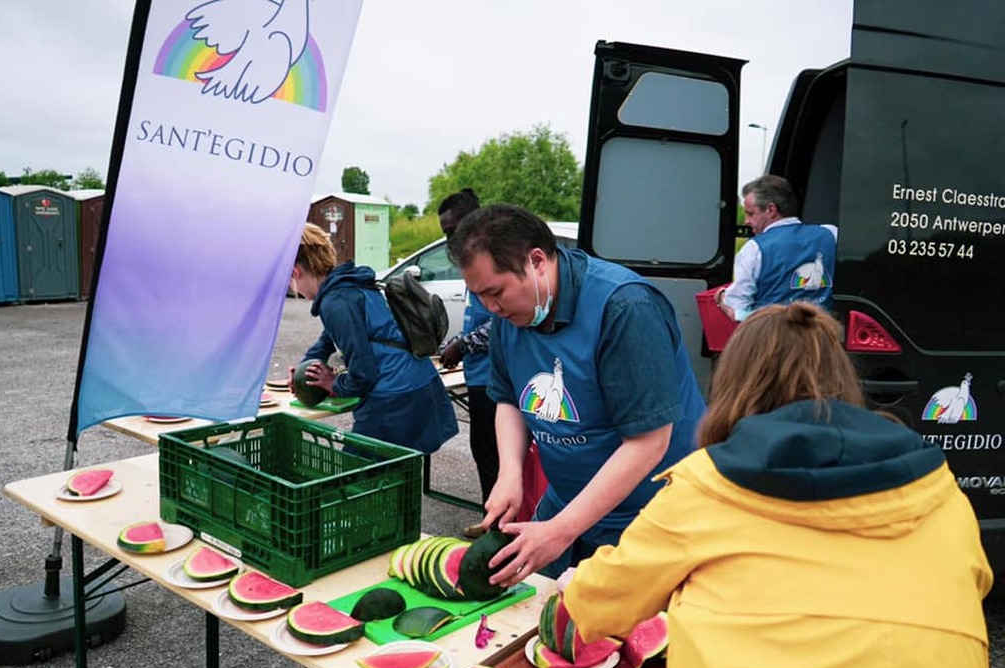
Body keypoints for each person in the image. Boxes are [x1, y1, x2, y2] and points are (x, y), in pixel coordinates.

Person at [561, 302, 993, 668]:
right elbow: (976, 583)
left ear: (734, 387)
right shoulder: (942, 492)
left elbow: (598, 604)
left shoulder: (705, 486)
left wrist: (575, 584)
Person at [447, 203, 706, 584]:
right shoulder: (508, 316)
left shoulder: (625, 308)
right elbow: (508, 400)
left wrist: (561, 529)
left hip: (652, 514)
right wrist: (510, 475)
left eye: (495, 291)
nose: (490, 307)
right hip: (566, 502)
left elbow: (649, 441)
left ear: (536, 261)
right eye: (479, 296)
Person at [289, 222, 458, 455]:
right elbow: (328, 339)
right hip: (419, 383)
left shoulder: (335, 301)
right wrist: (303, 373)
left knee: (357, 474)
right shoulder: (349, 286)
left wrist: (333, 384)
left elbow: (363, 374)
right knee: (398, 471)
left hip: (394, 396)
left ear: (295, 272)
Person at [436, 189, 500, 537]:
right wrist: (453, 344)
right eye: (445, 231)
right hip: (478, 377)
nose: (450, 237)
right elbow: (476, 322)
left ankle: (500, 527)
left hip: (496, 382)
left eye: (454, 228)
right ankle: (494, 520)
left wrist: (464, 344)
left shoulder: (491, 260)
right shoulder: (470, 264)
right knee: (484, 455)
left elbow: (502, 323)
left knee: (495, 457)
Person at [717, 174, 838, 321]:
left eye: (750, 214)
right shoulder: (831, 234)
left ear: (771, 210)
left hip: (773, 339)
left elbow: (738, 311)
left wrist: (722, 298)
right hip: (821, 337)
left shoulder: (754, 248)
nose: (747, 221)